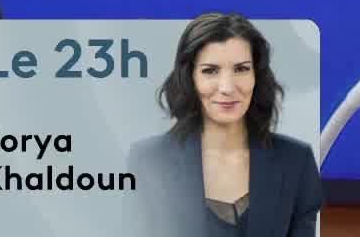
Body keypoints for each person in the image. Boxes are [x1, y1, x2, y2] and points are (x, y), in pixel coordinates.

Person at [125, 13, 323, 237]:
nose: (227, 87)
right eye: (210, 71)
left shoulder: (296, 161)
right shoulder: (148, 160)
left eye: (241, 69)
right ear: (190, 78)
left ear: (256, 76)